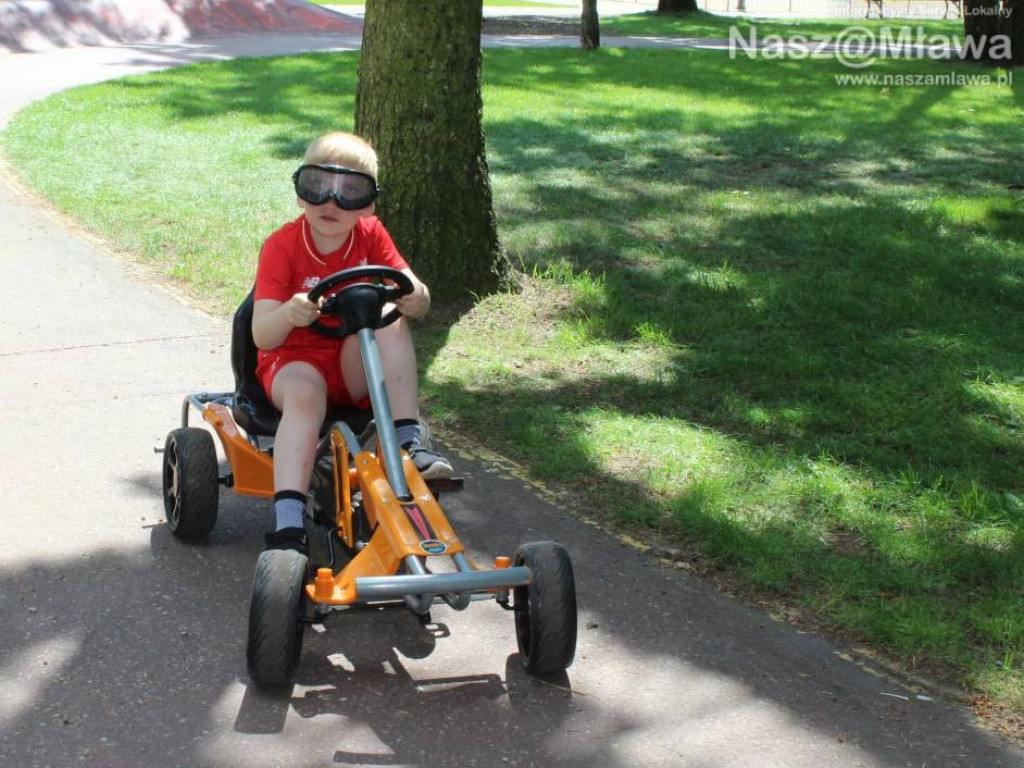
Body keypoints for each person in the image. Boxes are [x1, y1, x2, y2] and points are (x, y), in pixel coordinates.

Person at [252, 131, 452, 554]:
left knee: (389, 319)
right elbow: (260, 333)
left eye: (351, 190)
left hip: (351, 362)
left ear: (369, 203)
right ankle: (288, 521)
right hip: (292, 364)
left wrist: (416, 295)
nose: (332, 202)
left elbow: (413, 290)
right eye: (319, 186)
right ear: (301, 193)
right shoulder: (282, 246)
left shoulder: (372, 235)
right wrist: (289, 313)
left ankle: (406, 440)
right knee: (306, 394)